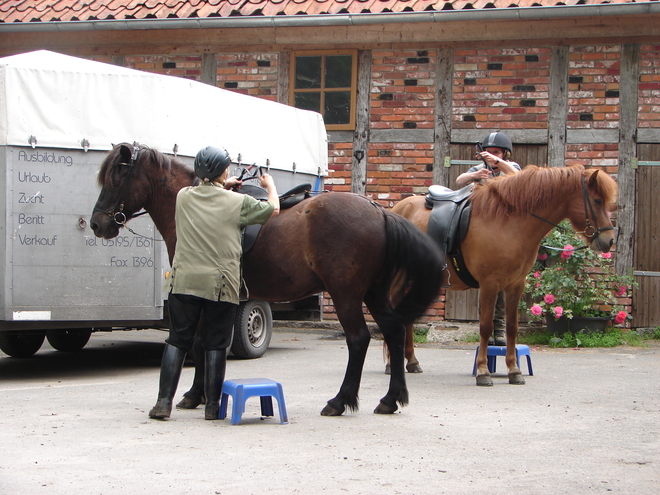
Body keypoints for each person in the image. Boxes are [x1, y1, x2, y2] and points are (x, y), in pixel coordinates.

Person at [149, 145, 279, 420]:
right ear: (222, 171)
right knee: (216, 344)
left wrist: (222, 184)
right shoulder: (238, 203)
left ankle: (163, 403)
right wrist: (270, 185)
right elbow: (273, 210)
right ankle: (212, 408)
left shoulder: (184, 196)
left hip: (183, 283)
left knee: (177, 341)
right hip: (220, 286)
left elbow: (206, 194)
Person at [455, 132, 520, 345]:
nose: (492, 155)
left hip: (504, 227)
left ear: (504, 153)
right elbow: (459, 180)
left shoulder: (511, 167)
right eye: (489, 152)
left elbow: (517, 178)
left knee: (501, 287)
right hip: (483, 224)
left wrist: (498, 164)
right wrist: (475, 176)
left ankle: (499, 329)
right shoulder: (479, 170)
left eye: (497, 152)